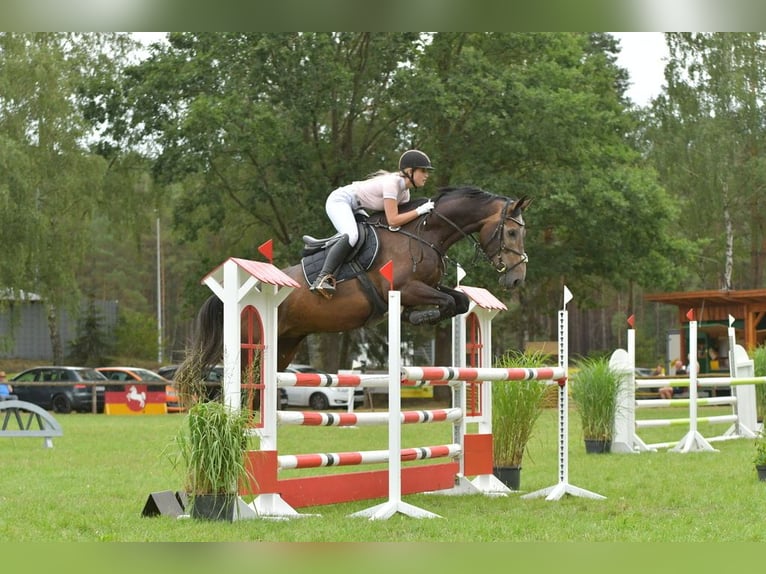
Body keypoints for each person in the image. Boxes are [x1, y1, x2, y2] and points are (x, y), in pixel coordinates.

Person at [309, 149, 435, 299]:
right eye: (423, 170)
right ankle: (323, 278)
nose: (427, 175)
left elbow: (395, 225)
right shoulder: (392, 184)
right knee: (352, 235)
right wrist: (420, 211)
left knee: (368, 235)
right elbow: (393, 220)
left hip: (357, 207)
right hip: (340, 200)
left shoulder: (405, 193)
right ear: (410, 171)